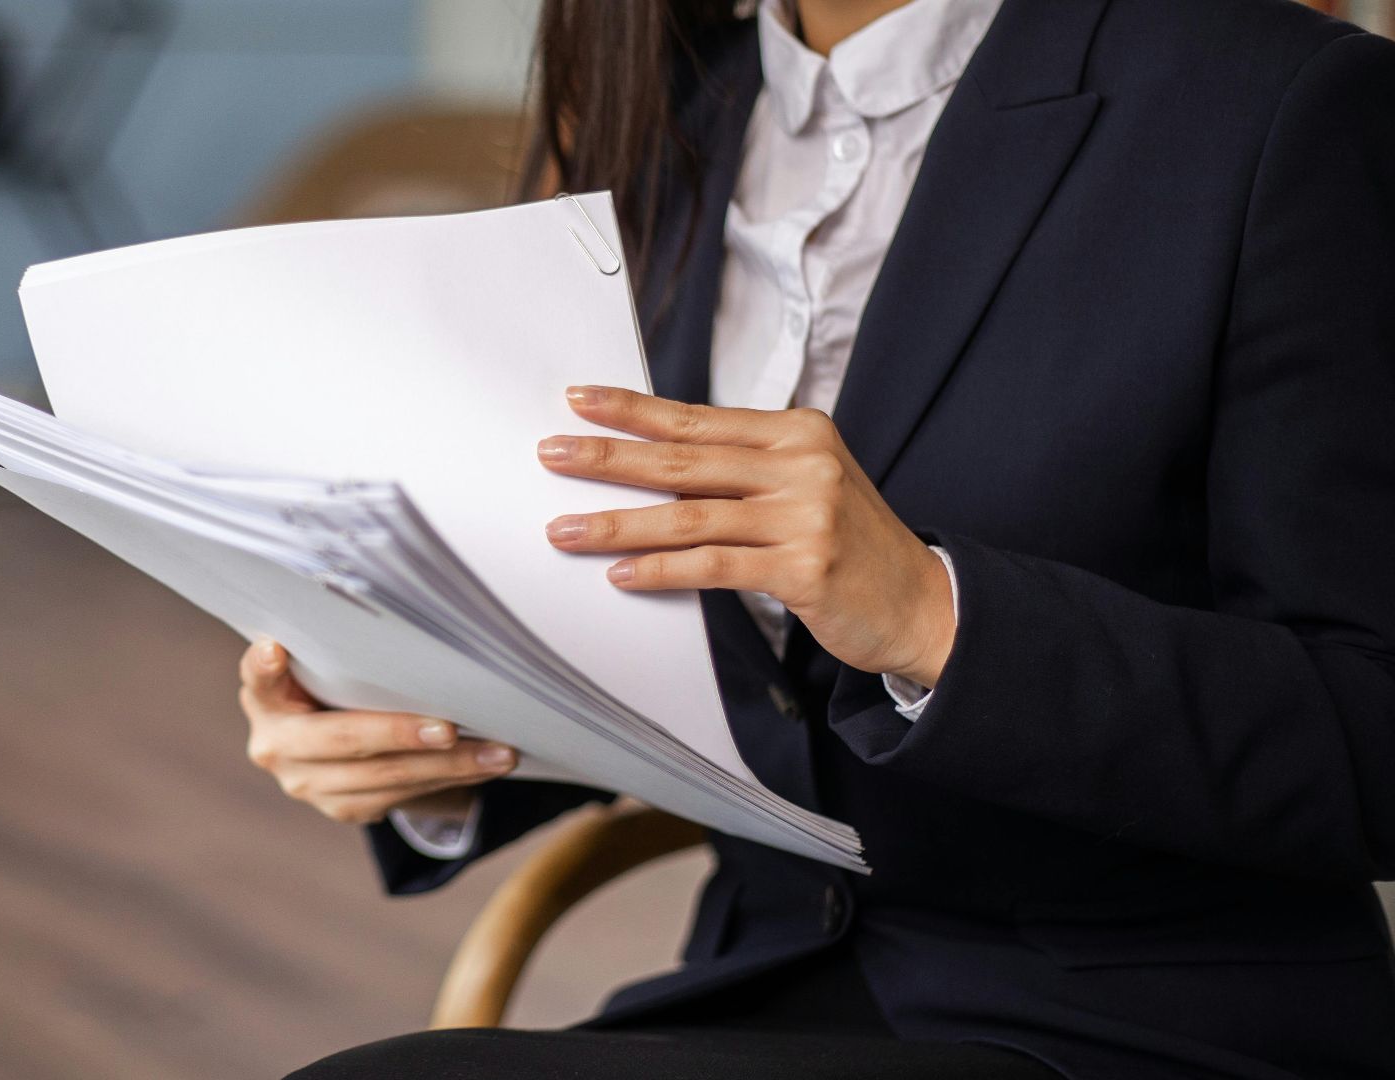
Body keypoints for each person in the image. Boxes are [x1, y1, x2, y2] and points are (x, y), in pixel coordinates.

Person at [241, 0, 1395, 1076]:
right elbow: (675, 652)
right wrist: (415, 746)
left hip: (1136, 1027)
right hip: (765, 989)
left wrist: (934, 616)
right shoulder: (672, 115)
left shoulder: (1287, 107)